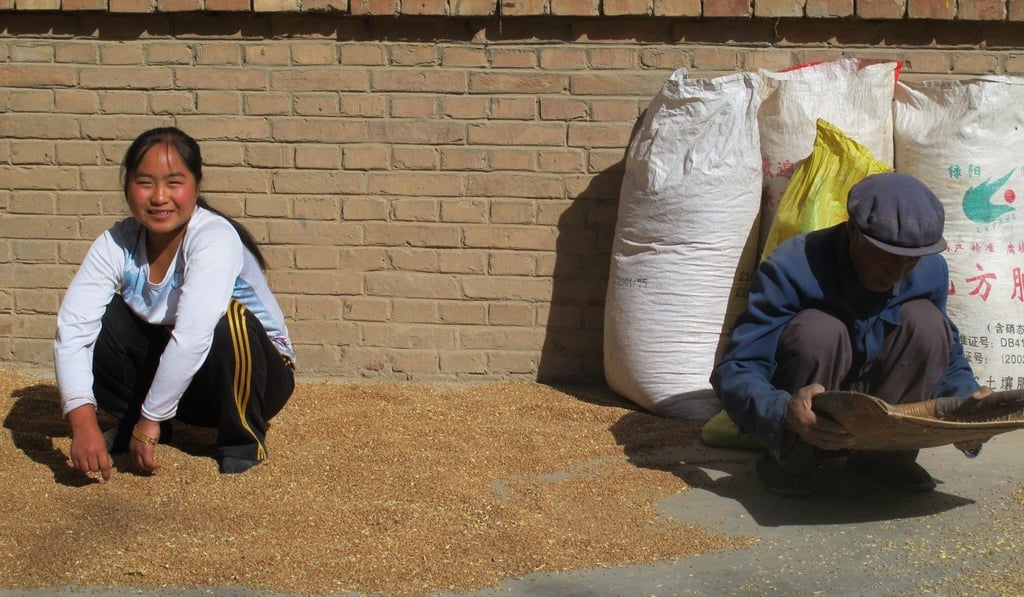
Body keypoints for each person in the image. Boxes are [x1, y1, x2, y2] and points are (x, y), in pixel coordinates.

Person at [711, 172, 990, 497]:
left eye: (909, 263)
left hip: (883, 400)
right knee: (818, 331)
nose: (896, 275)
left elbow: (947, 356)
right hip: (808, 412)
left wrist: (968, 405)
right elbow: (738, 367)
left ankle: (886, 457)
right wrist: (784, 412)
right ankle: (793, 458)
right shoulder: (792, 267)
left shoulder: (931, 271)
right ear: (853, 230)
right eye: (886, 258)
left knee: (927, 322)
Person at [54, 126, 296, 479]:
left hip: (257, 381)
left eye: (173, 182)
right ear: (127, 187)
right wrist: (82, 423)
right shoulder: (116, 243)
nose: (159, 197)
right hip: (185, 387)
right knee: (104, 317)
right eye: (145, 182)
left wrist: (149, 422)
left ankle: (242, 440)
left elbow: (195, 335)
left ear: (196, 187)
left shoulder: (214, 237)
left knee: (227, 319)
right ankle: (141, 422)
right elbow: (73, 329)